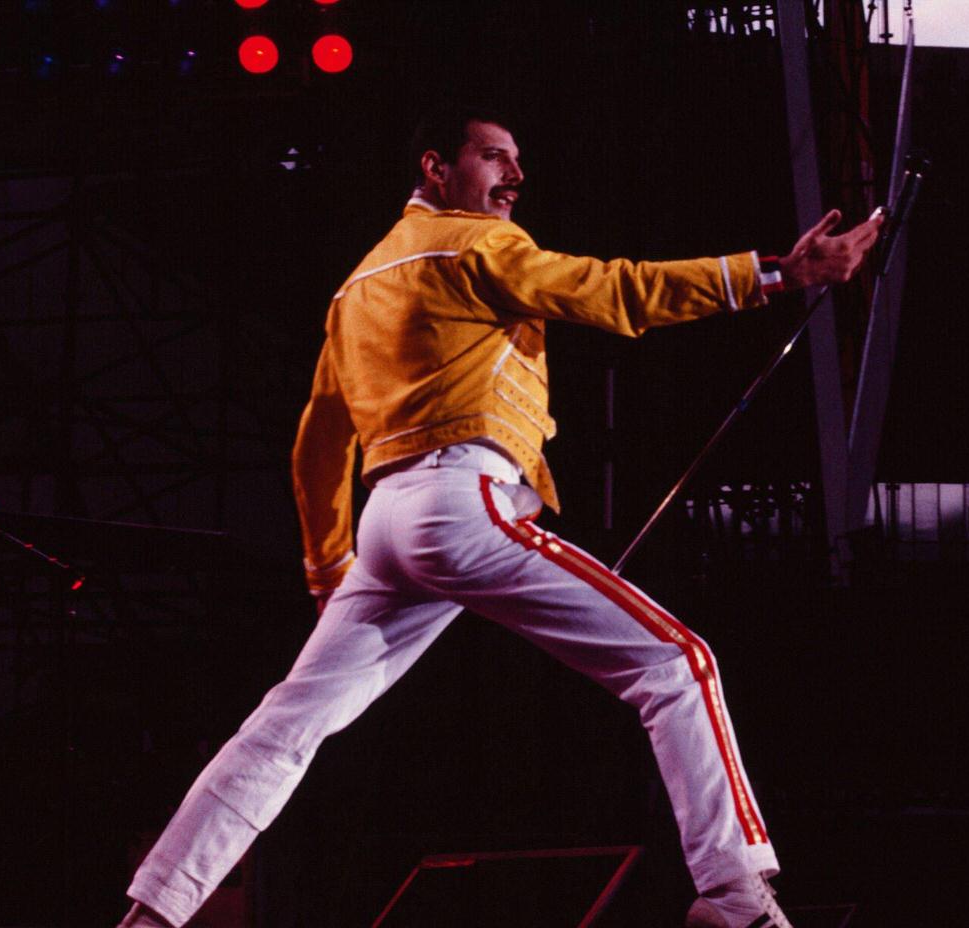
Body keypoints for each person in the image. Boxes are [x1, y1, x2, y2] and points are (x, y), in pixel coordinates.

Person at [118, 106, 883, 928]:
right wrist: (777, 274)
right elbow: (616, 290)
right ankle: (735, 897)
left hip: (386, 528)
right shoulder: (476, 245)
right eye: (493, 157)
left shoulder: (357, 283)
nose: (514, 175)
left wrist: (329, 568)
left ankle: (154, 912)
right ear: (436, 168)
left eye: (516, 160)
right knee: (676, 663)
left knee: (284, 726)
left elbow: (317, 442)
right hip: (460, 501)